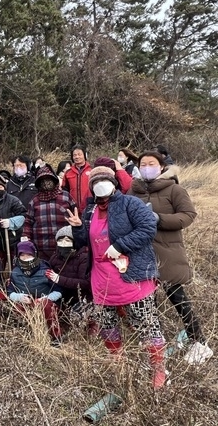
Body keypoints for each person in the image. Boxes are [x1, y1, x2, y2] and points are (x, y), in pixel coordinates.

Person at [67, 165, 167, 389]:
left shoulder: (130, 203)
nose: (101, 184)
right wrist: (76, 228)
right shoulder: (90, 210)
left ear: (114, 183)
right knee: (106, 322)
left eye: (106, 180)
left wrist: (120, 245)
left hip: (132, 275)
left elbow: (148, 226)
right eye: (96, 181)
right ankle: (117, 359)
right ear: (91, 188)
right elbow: (84, 241)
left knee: (146, 322)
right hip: (101, 278)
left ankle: (158, 367)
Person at [129, 151, 213, 364]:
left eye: (152, 164)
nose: (147, 167)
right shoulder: (133, 191)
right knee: (146, 300)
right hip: (141, 253)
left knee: (177, 296)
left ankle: (199, 342)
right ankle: (154, 340)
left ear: (162, 167)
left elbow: (188, 215)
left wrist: (159, 218)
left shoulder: (174, 189)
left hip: (167, 251)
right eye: (143, 164)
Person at [7, 240, 63, 346]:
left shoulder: (46, 270)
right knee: (18, 307)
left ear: (35, 254)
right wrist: (19, 297)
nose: (26, 258)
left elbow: (59, 291)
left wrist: (46, 298)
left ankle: (56, 337)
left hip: (45, 302)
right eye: (22, 255)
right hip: (27, 302)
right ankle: (24, 337)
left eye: (29, 255)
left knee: (46, 305)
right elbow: (10, 292)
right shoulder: (15, 272)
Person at [22, 165, 76, 261]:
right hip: (41, 247)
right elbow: (28, 223)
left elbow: (76, 217)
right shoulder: (34, 201)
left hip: (65, 246)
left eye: (48, 179)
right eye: (42, 180)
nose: (46, 183)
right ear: (38, 183)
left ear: (54, 180)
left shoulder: (66, 197)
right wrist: (25, 240)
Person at [62, 144, 92, 213]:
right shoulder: (68, 173)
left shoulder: (92, 170)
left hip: (89, 207)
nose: (77, 157)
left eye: (79, 154)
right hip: (73, 208)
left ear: (84, 155)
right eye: (74, 155)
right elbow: (65, 191)